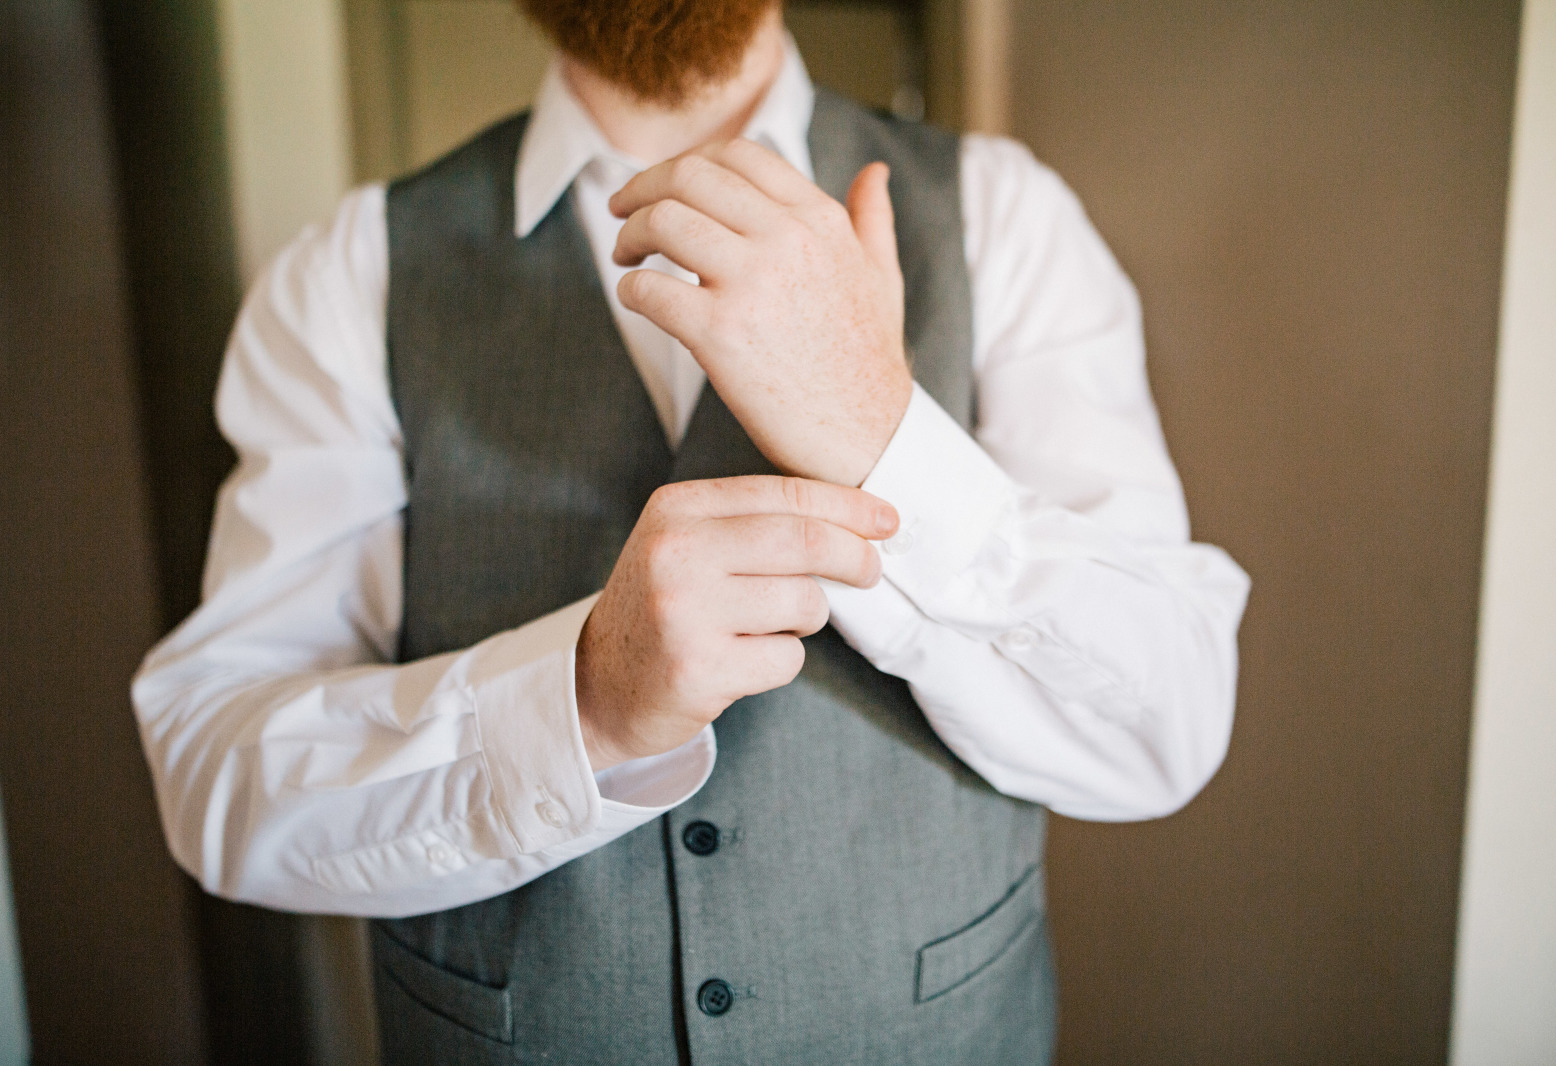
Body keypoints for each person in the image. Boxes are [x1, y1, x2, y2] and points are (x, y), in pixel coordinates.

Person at [132, 1, 1249, 1061]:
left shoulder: (1006, 217)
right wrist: (581, 705)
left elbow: (1167, 722)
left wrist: (883, 435)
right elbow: (215, 773)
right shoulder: (350, 275)